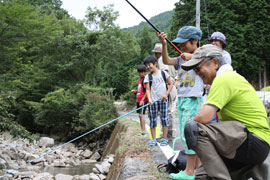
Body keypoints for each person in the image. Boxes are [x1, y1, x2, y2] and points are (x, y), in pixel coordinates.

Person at [182, 44, 270, 180]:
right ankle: (252, 168)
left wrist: (190, 131)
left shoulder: (223, 79)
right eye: (194, 70)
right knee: (201, 176)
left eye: (198, 68)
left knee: (194, 129)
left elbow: (204, 118)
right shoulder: (230, 77)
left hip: (253, 140)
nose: (197, 73)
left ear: (215, 63)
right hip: (251, 144)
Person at [157, 26, 204, 180]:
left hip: (192, 99)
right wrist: (164, 44)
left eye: (185, 43)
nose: (182, 46)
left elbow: (207, 58)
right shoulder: (180, 59)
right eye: (180, 43)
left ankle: (190, 172)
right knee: (188, 135)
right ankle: (196, 169)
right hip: (183, 100)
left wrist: (192, 56)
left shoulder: (202, 55)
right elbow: (166, 60)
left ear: (195, 41)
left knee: (190, 135)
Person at [143, 56, 173, 146]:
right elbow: (148, 90)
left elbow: (171, 84)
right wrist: (150, 99)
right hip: (153, 102)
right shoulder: (148, 77)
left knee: (164, 119)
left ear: (155, 63)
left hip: (163, 100)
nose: (148, 67)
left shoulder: (163, 73)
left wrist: (166, 94)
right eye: (146, 66)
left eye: (149, 65)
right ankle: (154, 139)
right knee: (153, 120)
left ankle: (164, 139)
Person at [152, 43, 178, 139]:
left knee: (167, 111)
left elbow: (165, 74)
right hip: (172, 88)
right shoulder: (169, 59)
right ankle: (169, 133)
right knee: (169, 110)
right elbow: (176, 75)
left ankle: (169, 134)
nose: (155, 55)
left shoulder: (161, 60)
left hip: (167, 88)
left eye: (156, 53)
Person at [130, 65, 148, 135]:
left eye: (142, 72)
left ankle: (143, 131)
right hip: (138, 100)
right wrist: (135, 91)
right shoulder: (139, 80)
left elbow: (147, 91)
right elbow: (140, 91)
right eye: (139, 72)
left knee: (141, 115)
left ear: (144, 73)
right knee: (139, 115)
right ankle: (142, 130)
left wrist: (142, 100)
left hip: (142, 101)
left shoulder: (144, 80)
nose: (140, 74)